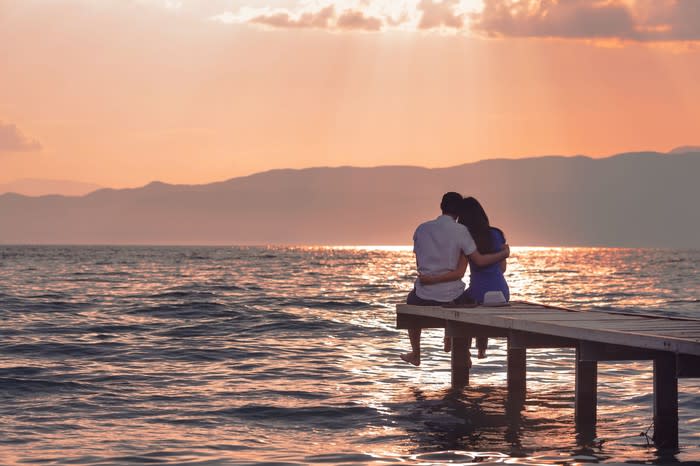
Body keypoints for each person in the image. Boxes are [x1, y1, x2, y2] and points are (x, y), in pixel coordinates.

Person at [401, 192, 510, 367]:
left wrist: (430, 280)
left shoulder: (421, 229)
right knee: (467, 303)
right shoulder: (462, 232)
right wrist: (504, 253)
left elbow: (420, 265)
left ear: (441, 206)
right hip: (452, 297)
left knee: (410, 302)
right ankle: (464, 352)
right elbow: (473, 265)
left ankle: (416, 352)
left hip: (423, 295)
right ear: (458, 212)